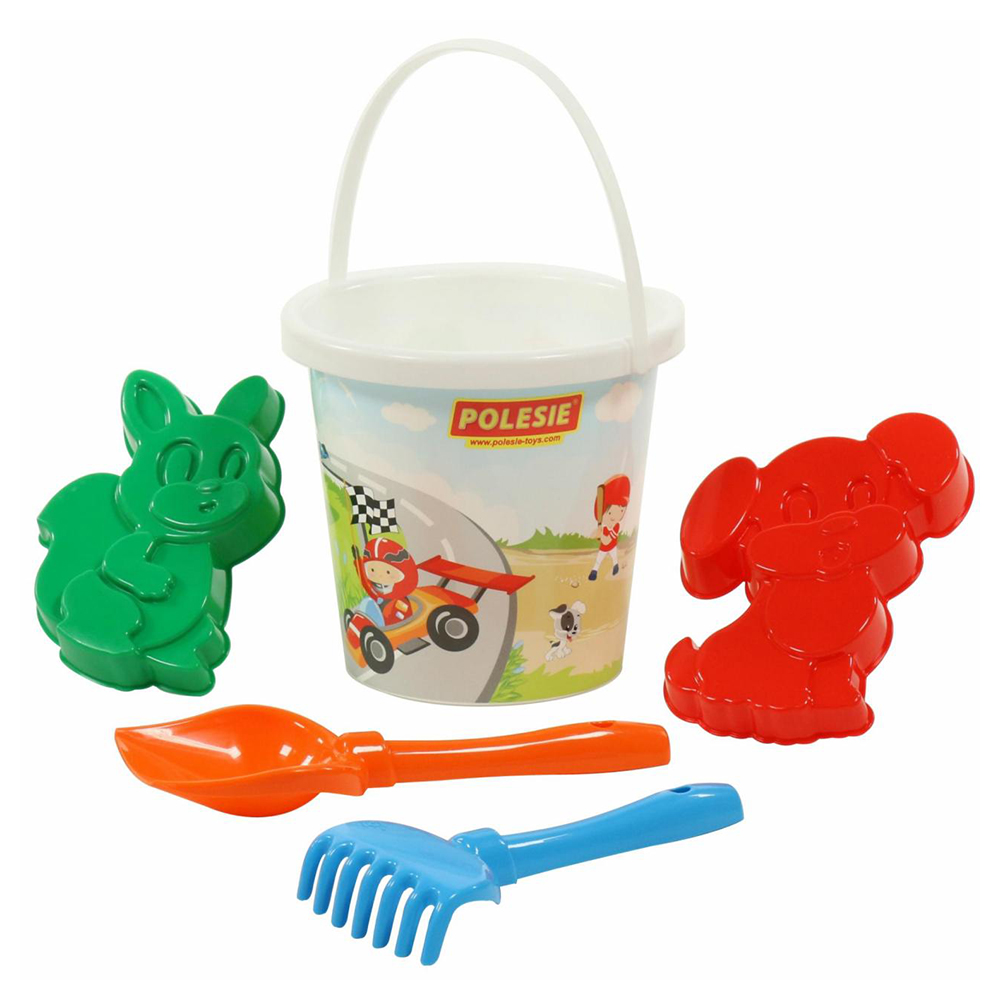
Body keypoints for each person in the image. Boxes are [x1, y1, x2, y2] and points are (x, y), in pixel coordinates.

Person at [351, 536, 419, 626]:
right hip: (376, 627)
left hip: (394, 629)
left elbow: (405, 621)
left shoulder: (400, 600)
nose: (379, 575)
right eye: (372, 570)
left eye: (388, 572)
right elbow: (365, 584)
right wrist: (357, 561)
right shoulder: (376, 593)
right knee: (367, 602)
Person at [589, 474, 630, 581]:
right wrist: (596, 533)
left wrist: (601, 534)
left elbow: (607, 541)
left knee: (614, 557)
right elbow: (594, 536)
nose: (615, 516)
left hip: (611, 546)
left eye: (621, 511)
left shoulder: (616, 526)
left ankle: (615, 566)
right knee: (599, 560)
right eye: (610, 512)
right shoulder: (604, 526)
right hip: (603, 548)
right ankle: (594, 571)